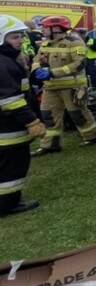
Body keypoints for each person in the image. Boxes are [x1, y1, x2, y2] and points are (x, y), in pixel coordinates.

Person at [30, 16, 96, 157]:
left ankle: (92, 137)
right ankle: (50, 145)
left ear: (55, 28)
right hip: (50, 87)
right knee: (48, 115)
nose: (42, 30)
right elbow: (37, 59)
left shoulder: (74, 42)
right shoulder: (46, 44)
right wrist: (36, 69)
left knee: (77, 114)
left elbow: (79, 64)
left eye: (44, 27)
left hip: (72, 87)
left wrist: (52, 73)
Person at [0, 15, 47, 217]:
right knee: (11, 167)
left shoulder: (9, 60)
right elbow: (11, 101)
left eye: (20, 36)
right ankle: (8, 204)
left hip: (9, 125)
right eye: (13, 37)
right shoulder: (3, 64)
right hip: (8, 128)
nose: (19, 41)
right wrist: (32, 121)